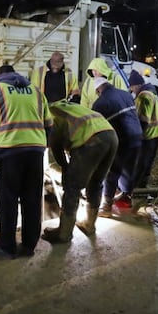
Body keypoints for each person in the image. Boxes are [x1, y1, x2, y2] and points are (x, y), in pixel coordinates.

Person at [0, 64, 53, 258]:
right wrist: (40, 146)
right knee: (32, 200)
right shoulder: (36, 91)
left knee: (7, 200)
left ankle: (7, 247)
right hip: (35, 153)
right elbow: (49, 125)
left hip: (8, 153)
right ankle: (29, 246)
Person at [41, 101, 118, 242]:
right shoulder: (64, 108)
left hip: (91, 140)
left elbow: (56, 147)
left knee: (72, 187)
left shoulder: (49, 116)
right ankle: (89, 225)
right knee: (96, 182)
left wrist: (65, 168)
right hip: (111, 135)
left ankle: (64, 233)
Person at [91, 76, 142, 214]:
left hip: (122, 138)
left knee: (113, 170)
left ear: (98, 90)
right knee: (129, 169)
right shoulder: (126, 94)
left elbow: (95, 129)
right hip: (137, 136)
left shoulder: (100, 103)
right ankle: (125, 200)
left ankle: (106, 206)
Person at [128, 70, 158, 188]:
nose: (131, 90)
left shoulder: (144, 96)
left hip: (148, 136)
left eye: (131, 87)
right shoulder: (152, 92)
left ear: (136, 85)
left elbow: (143, 119)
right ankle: (143, 187)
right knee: (147, 163)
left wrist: (137, 137)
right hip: (156, 133)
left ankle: (137, 188)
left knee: (141, 163)